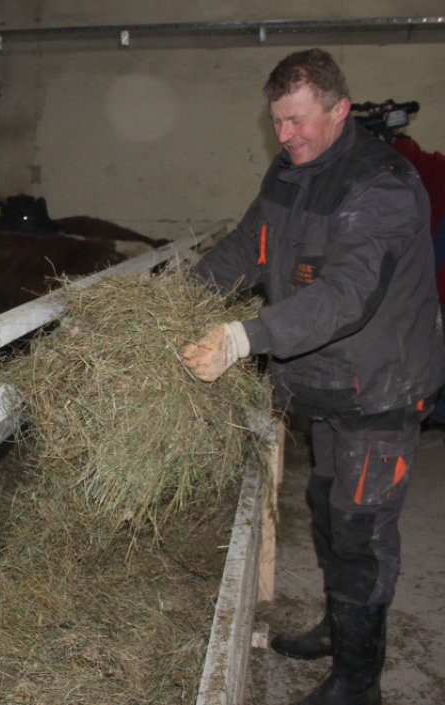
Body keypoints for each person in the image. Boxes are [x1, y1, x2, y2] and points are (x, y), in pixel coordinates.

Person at [181, 48, 445, 705]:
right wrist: (179, 297)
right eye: (277, 121)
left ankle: (359, 681)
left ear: (340, 109)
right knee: (327, 509)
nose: (285, 134)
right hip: (327, 380)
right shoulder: (289, 171)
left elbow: (347, 295)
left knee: (360, 529)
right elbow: (248, 245)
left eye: (298, 120)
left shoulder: (381, 185)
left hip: (380, 386)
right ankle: (338, 626)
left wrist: (245, 337)